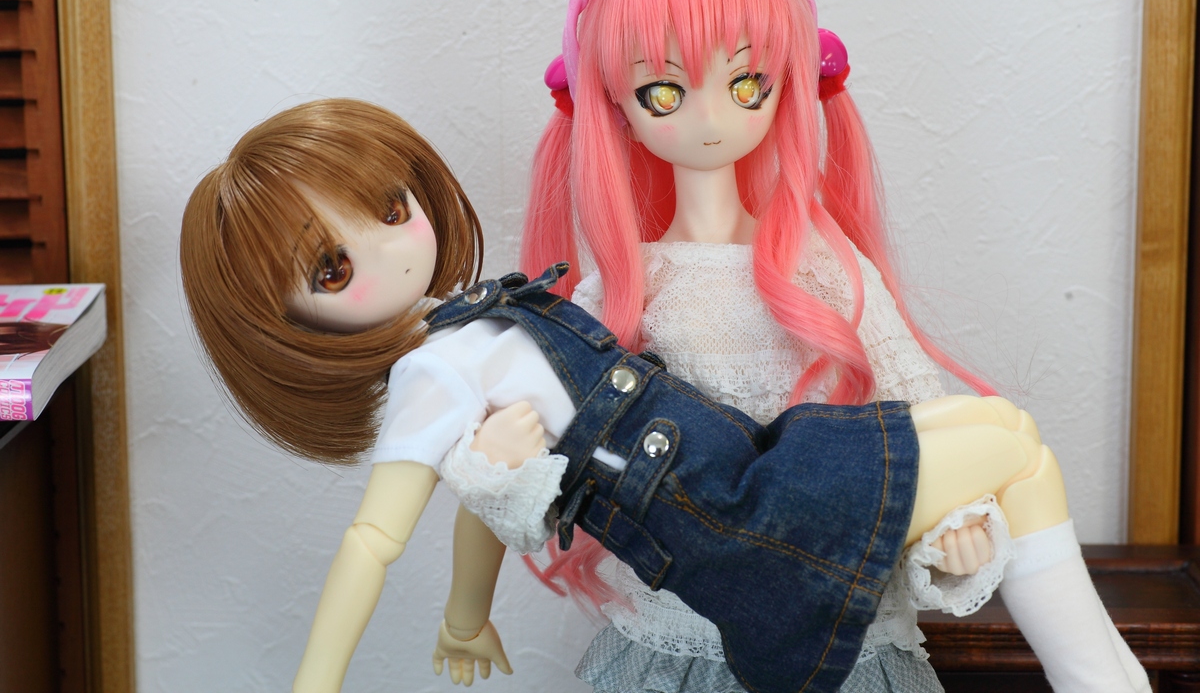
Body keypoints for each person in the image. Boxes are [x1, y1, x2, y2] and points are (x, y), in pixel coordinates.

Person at [180, 98, 1111, 693]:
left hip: (755, 469)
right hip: (733, 518)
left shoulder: (476, 326)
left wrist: (466, 617)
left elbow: (474, 504)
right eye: (334, 269)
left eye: (390, 211)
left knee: (1006, 435)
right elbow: (372, 541)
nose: (389, 251)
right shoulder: (429, 372)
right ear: (281, 320)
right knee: (1013, 445)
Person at [508, 0, 1150, 692]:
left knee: (1005, 436)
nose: (710, 118)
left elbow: (910, 404)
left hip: (822, 573)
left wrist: (953, 532)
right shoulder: (621, 293)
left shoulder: (823, 269)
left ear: (787, 84)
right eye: (663, 92)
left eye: (747, 82)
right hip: (717, 590)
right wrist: (498, 463)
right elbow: (539, 482)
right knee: (1013, 441)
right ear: (616, 107)